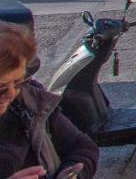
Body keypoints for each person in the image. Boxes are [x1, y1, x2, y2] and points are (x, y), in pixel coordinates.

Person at [0, 22, 98, 179]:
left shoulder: (30, 103)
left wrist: (73, 174)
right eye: (1, 88)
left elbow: (81, 146)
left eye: (19, 82)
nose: (12, 93)